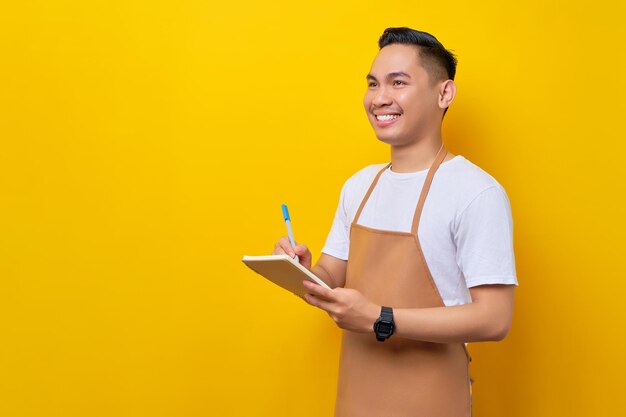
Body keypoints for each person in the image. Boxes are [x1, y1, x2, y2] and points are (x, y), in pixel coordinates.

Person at [273, 27, 517, 417]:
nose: (379, 98)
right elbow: (330, 278)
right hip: (356, 399)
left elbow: (495, 318)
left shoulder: (475, 192)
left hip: (432, 400)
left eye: (398, 83)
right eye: (372, 84)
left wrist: (380, 318)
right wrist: (300, 272)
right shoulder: (360, 185)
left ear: (444, 94)